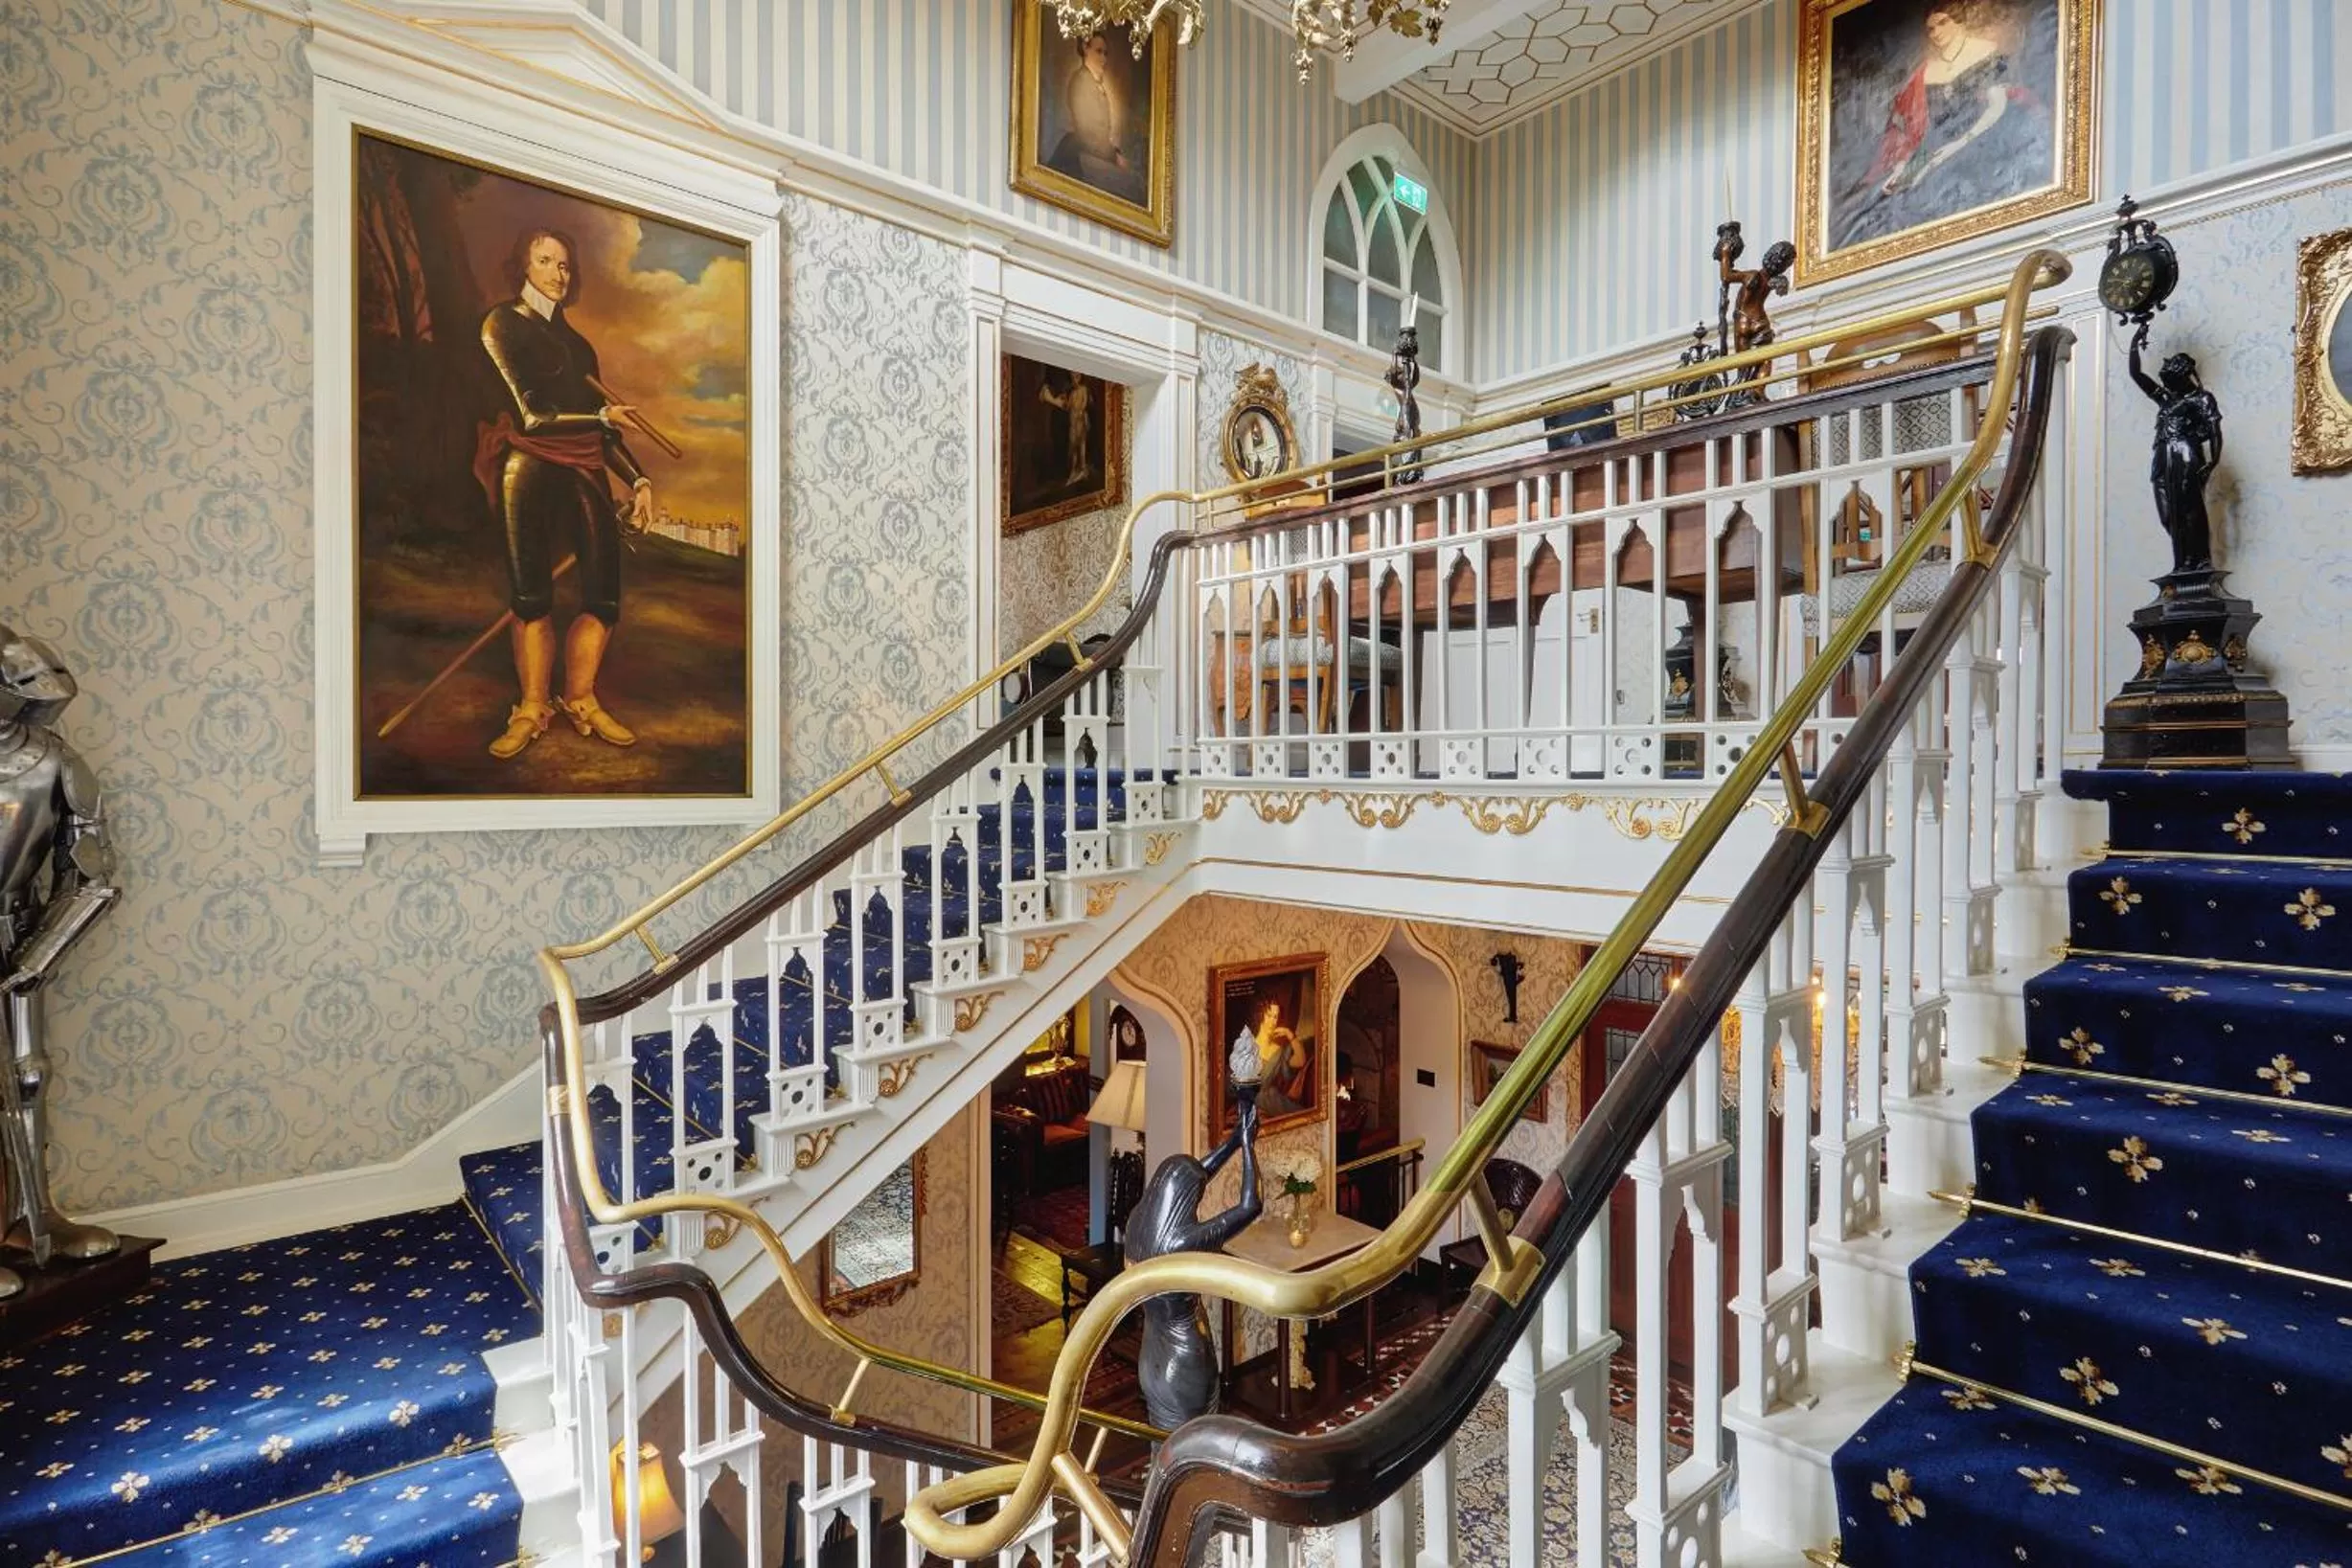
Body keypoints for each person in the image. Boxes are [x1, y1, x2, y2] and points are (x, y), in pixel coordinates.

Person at [473, 228, 654, 761]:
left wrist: (639, 479)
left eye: (565, 265)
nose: (558, 272)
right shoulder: (500, 324)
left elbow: (604, 435)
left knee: (603, 593)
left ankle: (580, 699)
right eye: (547, 261)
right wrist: (600, 416)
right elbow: (531, 415)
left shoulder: (578, 346)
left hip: (585, 468)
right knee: (531, 596)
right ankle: (531, 707)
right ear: (523, 267)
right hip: (528, 464)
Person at [0, 627, 122, 1299]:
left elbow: (94, 874)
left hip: (17, 930)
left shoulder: (53, 762)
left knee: (27, 1076)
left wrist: (35, 956)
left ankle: (30, 1216)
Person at [1837, 2, 2047, 251]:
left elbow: (1996, 109)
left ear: (1959, 22)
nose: (1936, 31)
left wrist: (1954, 147)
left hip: (1982, 136)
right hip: (1933, 148)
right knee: (1886, 197)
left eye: (1942, 22)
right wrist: (1903, 168)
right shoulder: (1925, 74)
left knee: (1938, 186)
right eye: (1930, 28)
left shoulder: (1986, 52)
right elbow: (1916, 133)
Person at [1123, 1096, 1261, 1428]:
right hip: (1185, 1357)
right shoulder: (1180, 1242)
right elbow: (1250, 1206)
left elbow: (1196, 1175)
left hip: (1152, 1357)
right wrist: (1247, 1147)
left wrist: (1234, 1140)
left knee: (1164, 1444)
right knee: (1195, 1440)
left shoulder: (1139, 1222)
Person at [2129, 338, 2224, 575]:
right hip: (2162, 456)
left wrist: (2213, 460)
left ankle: (2198, 562)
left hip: (2186, 453)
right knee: (2168, 513)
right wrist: (2134, 344)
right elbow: (2136, 374)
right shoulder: (2166, 399)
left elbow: (2214, 430)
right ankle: (2182, 560)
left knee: (2191, 509)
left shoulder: (2202, 398)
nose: (2166, 384)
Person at [1047, 33, 1143, 204]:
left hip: (1094, 151)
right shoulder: (1082, 82)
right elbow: (1088, 133)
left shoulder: (1094, 83)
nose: (1103, 58)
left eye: (1105, 53)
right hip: (1080, 151)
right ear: (1085, 49)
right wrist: (1114, 157)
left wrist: (1115, 153)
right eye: (1099, 51)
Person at [1037, 372, 1095, 486]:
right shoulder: (1072, 393)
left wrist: (1080, 414)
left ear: (1080, 378)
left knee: (1081, 445)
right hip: (1073, 422)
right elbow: (1068, 407)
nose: (1074, 380)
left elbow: (1083, 404)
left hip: (1080, 420)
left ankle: (1082, 469)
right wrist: (1061, 400)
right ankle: (1073, 471)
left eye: (1077, 377)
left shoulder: (1083, 389)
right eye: (1073, 377)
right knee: (1073, 447)